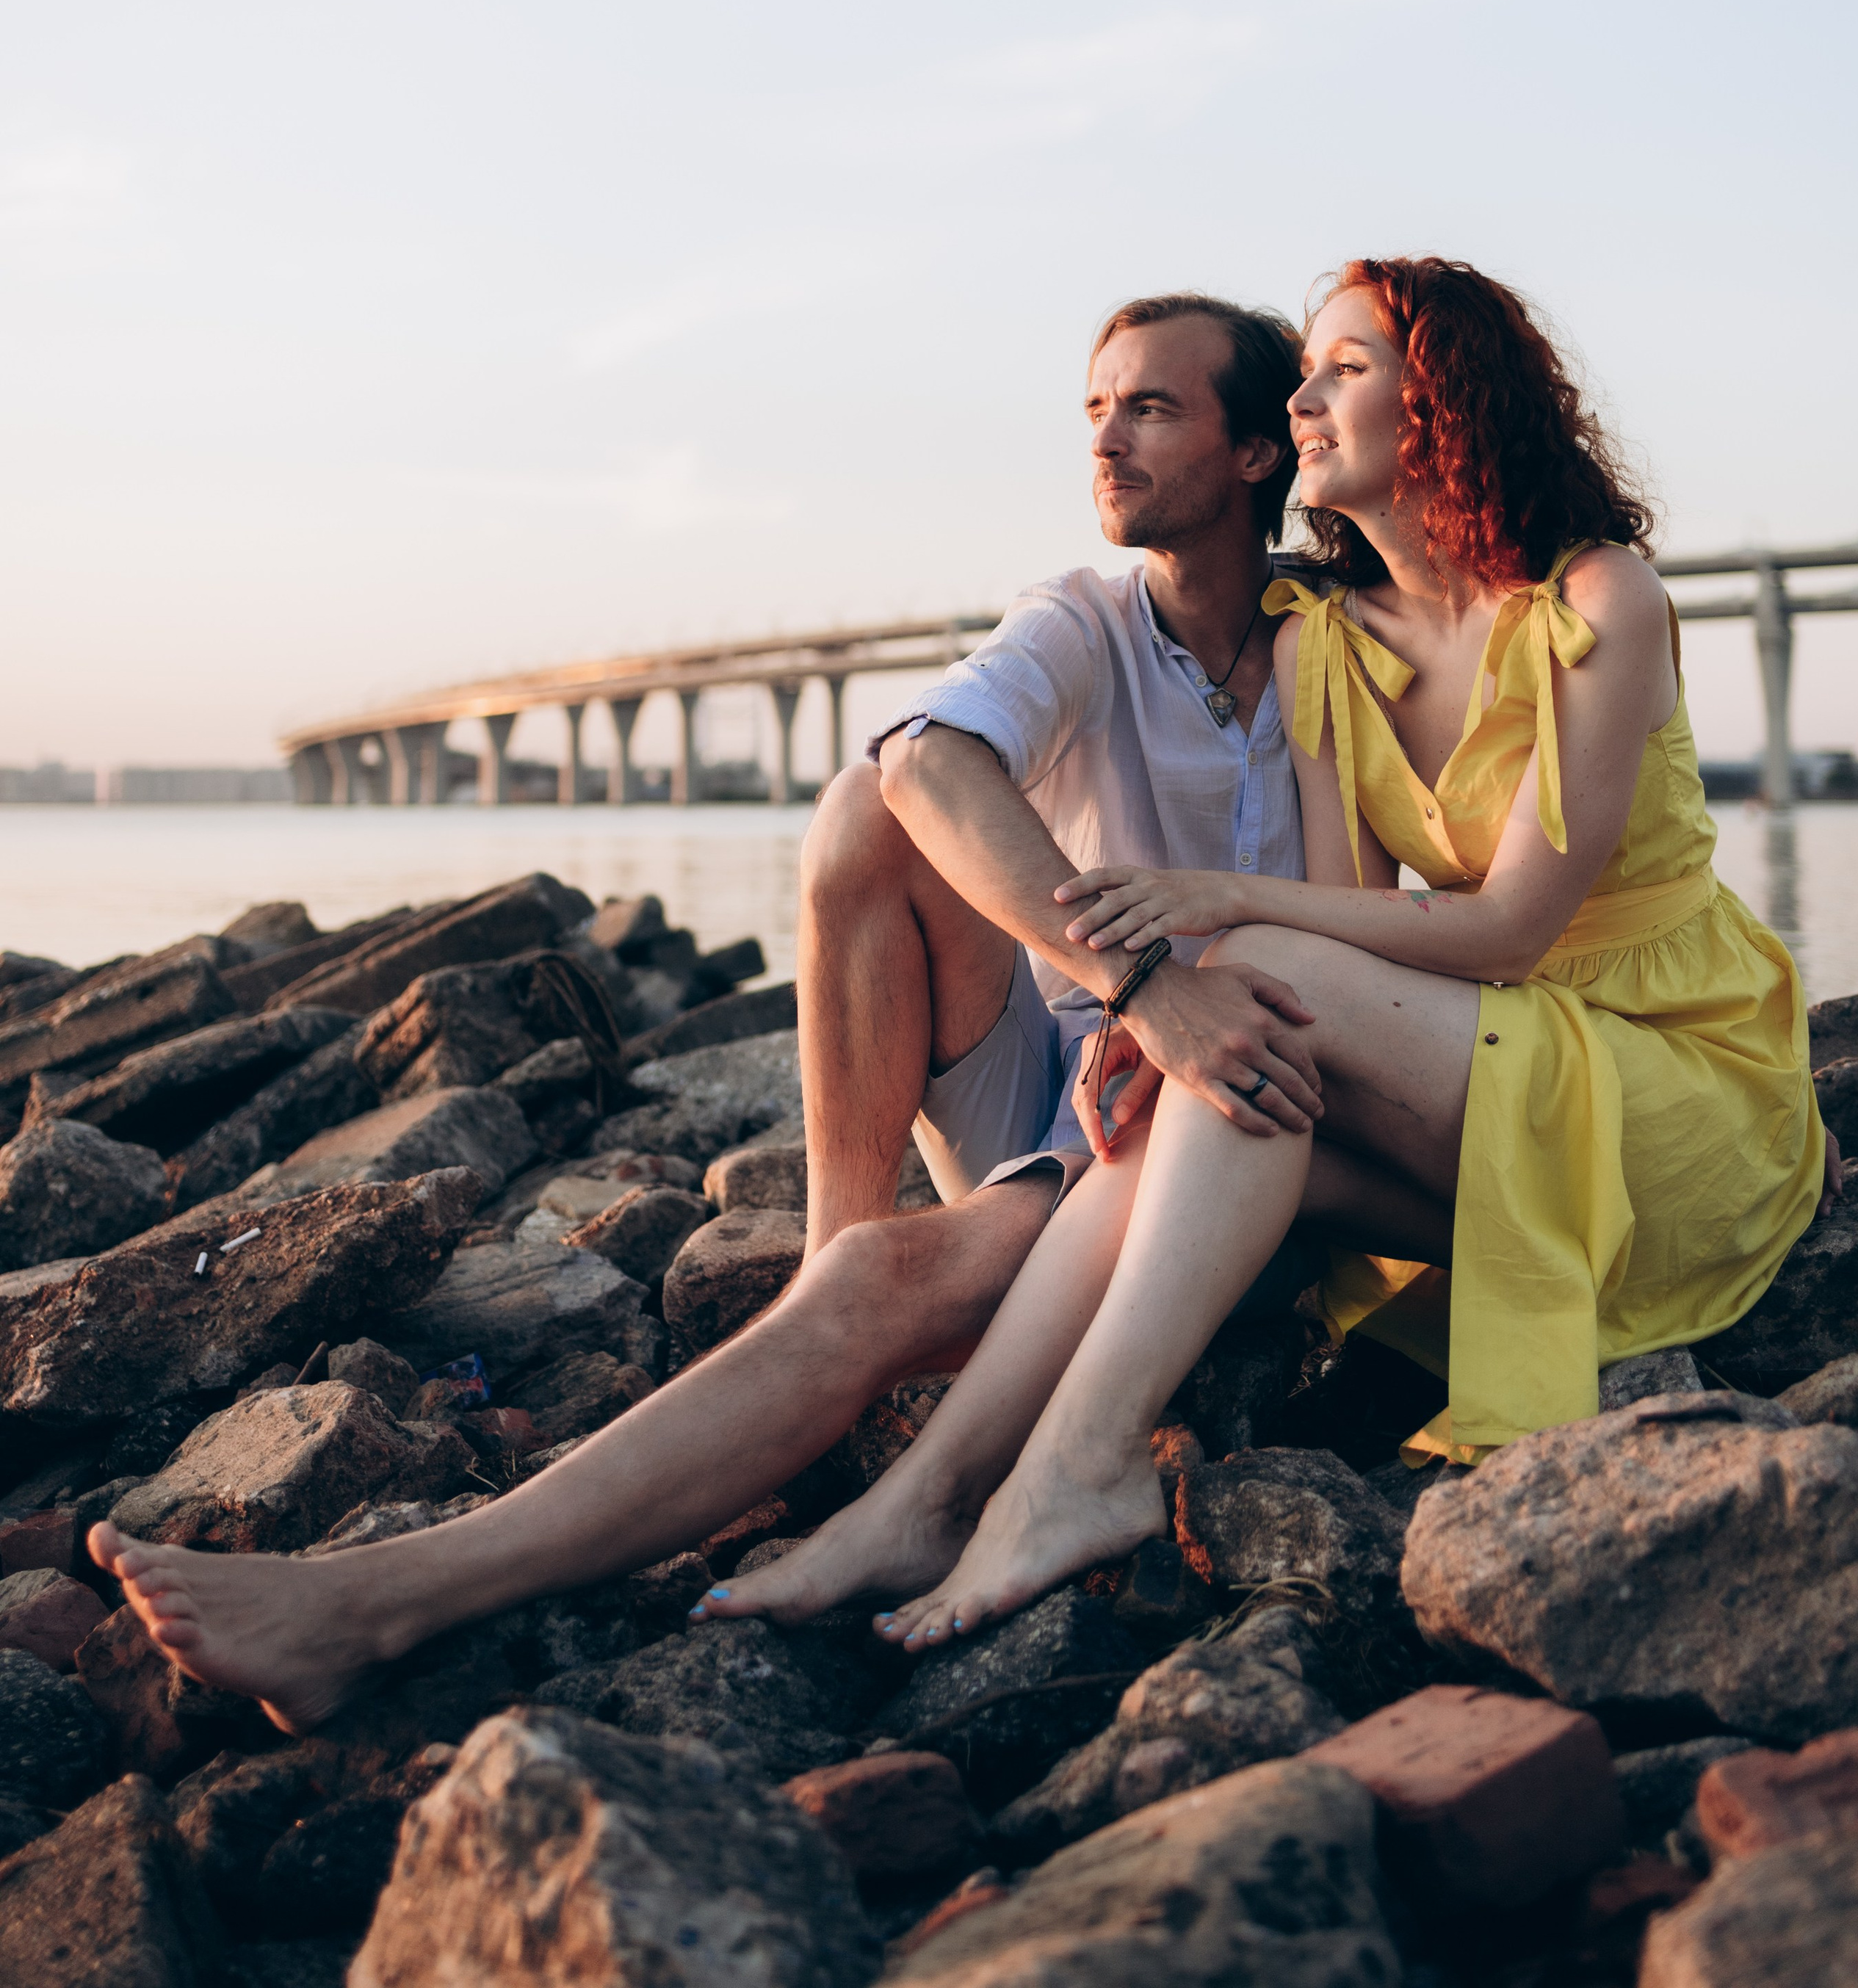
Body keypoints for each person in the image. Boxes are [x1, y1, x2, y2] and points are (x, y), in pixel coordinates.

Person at [91, 288, 1380, 1731]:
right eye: (1092, 410)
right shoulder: (1082, 618)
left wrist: (1201, 1018)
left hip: (1213, 1132)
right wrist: (1139, 990)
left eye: (1148, 408)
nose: (1104, 441)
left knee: (885, 1289)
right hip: (1081, 1062)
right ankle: (841, 1250)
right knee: (860, 807)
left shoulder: (1338, 645)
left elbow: (1383, 933)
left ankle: (380, 1603)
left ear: (1257, 453)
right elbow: (922, 762)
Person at [803, 254, 1832, 1652]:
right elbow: (1353, 919)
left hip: (1676, 1088)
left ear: (1444, 404)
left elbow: (1509, 927)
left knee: (1254, 1000)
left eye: (1343, 369)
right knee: (1219, 1081)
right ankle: (940, 1491)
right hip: (1509, 1094)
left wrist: (1199, 918)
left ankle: (1064, 1471)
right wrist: (1172, 1004)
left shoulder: (1601, 603)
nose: (1303, 398)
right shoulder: (1328, 650)